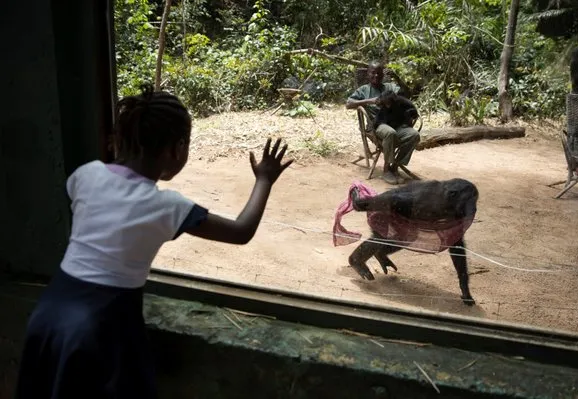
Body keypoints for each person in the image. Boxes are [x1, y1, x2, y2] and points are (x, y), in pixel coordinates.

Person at [14, 84, 293, 399]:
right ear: (178, 149)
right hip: (103, 323)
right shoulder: (167, 207)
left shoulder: (85, 176)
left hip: (50, 311)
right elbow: (242, 231)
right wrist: (264, 179)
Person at [346, 61, 420, 185]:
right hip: (376, 126)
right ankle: (386, 169)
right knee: (390, 133)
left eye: (379, 73)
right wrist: (370, 101)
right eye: (373, 73)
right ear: (368, 74)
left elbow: (405, 94)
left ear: (383, 75)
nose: (376, 76)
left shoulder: (389, 87)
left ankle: (395, 166)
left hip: (394, 123)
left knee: (414, 135)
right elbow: (348, 104)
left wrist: (397, 79)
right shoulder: (363, 90)